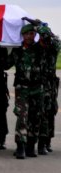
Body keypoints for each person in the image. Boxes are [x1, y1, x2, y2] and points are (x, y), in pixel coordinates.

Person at [5, 23, 45, 159]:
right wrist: (1, 51)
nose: (29, 36)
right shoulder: (18, 51)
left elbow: (48, 37)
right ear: (22, 35)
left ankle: (31, 146)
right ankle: (20, 146)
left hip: (36, 88)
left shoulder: (40, 48)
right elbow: (6, 64)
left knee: (35, 117)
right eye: (27, 33)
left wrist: (39, 26)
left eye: (32, 33)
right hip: (22, 88)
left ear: (35, 34)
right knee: (22, 117)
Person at [31, 20, 60, 155]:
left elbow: (48, 37)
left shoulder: (53, 45)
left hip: (49, 85)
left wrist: (39, 26)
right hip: (37, 83)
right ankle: (35, 142)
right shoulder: (38, 47)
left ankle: (45, 142)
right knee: (38, 114)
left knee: (49, 113)